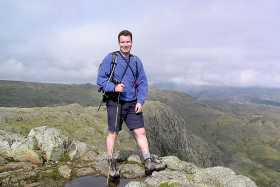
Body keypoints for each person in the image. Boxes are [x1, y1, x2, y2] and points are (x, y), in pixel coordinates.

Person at [96, 30, 158, 177]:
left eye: (128, 42)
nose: (125, 44)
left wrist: (140, 100)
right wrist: (114, 87)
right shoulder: (111, 58)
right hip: (115, 102)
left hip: (132, 103)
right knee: (113, 132)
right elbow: (100, 80)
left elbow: (142, 82)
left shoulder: (136, 61)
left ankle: (148, 160)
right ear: (119, 43)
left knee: (140, 131)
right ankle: (111, 162)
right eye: (123, 42)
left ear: (132, 42)